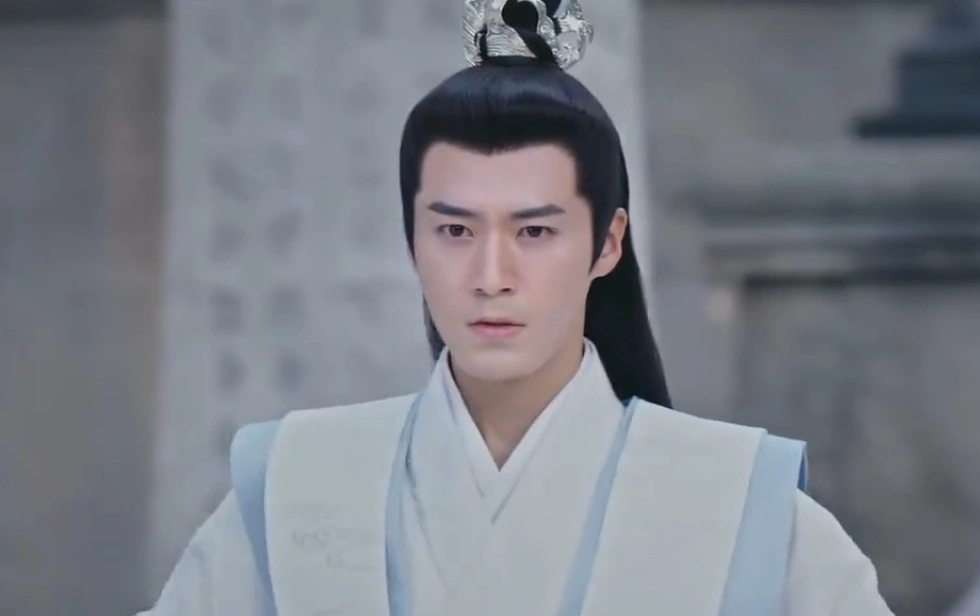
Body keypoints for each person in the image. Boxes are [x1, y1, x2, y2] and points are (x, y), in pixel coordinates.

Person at [140, 1, 895, 614]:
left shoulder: (738, 499)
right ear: (411, 240)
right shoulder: (298, 485)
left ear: (607, 243)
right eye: (454, 231)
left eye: (534, 232)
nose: (490, 276)